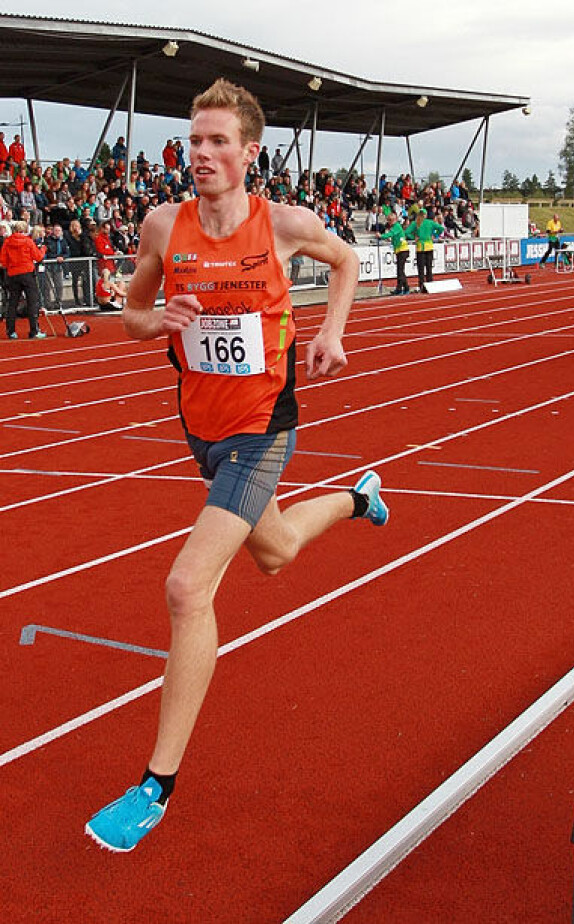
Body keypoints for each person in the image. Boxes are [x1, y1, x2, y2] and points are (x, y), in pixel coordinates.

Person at [84, 78, 387, 853]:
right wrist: (162, 320)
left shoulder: (283, 223)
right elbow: (130, 319)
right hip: (201, 427)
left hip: (263, 425)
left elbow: (348, 262)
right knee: (277, 552)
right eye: (195, 141)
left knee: (188, 587)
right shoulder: (162, 224)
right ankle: (359, 499)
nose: (203, 155)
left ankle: (156, 785)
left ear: (251, 152)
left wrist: (331, 334)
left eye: (219, 141)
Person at [0, 219, 47, 339]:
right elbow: (38, 256)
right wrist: (43, 249)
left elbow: (3, 261)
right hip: (27, 273)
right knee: (32, 302)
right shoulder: (28, 241)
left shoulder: (7, 242)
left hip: (12, 274)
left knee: (13, 303)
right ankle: (34, 330)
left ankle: (10, 331)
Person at [411, 209, 444, 292]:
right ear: (425, 215)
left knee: (421, 269)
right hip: (429, 246)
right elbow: (441, 228)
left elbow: (406, 232)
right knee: (429, 267)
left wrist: (414, 238)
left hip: (420, 247)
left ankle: (422, 286)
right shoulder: (430, 222)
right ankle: (430, 285)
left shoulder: (415, 223)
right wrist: (435, 235)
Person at [381, 212, 411, 295]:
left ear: (394, 220)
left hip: (402, 250)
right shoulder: (395, 227)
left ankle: (399, 288)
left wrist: (381, 236)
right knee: (400, 270)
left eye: (390, 220)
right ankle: (406, 287)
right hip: (400, 250)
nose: (389, 222)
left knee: (400, 271)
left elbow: (391, 234)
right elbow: (393, 237)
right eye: (388, 220)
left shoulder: (396, 226)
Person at [43, 223, 69, 312]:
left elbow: (67, 252)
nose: (57, 232)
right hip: (49, 266)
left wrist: (63, 257)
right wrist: (56, 257)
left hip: (58, 267)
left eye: (59, 230)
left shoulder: (63, 241)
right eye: (56, 230)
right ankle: (48, 304)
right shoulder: (48, 240)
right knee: (47, 286)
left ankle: (58, 302)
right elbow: (47, 253)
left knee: (59, 286)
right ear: (53, 232)